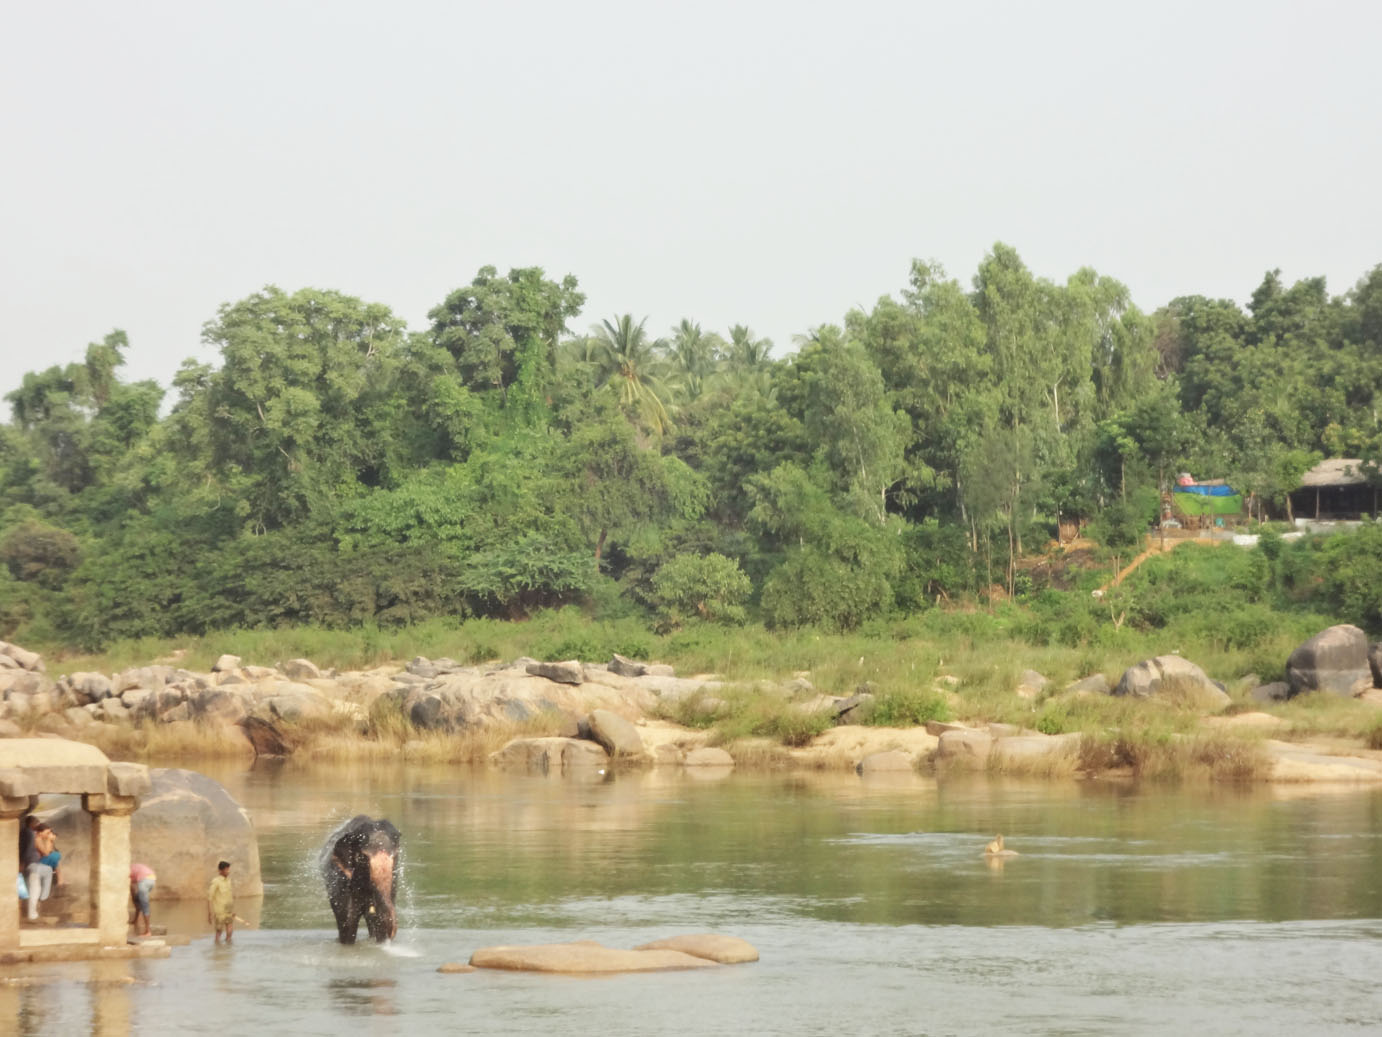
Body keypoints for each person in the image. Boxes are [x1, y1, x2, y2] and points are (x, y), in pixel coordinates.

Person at [20, 816, 52, 921]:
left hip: (31, 864)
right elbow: (45, 852)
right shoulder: (31, 834)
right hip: (32, 865)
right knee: (35, 889)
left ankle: (41, 899)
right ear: (33, 824)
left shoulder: (27, 833)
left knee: (35, 886)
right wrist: (22, 863)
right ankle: (35, 909)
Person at [207, 860, 235, 943]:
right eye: (226, 870)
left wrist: (232, 910)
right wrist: (209, 913)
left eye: (228, 869)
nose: (228, 872)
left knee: (230, 928)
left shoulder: (229, 881)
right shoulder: (216, 881)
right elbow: (209, 897)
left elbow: (230, 896)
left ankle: (228, 946)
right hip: (220, 911)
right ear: (220, 870)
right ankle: (217, 947)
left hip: (228, 909)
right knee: (219, 931)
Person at [129, 862, 156, 936]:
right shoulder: (133, 867)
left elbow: (132, 888)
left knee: (144, 904)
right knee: (139, 900)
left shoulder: (127, 870)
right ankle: (136, 920)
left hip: (144, 880)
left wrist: (133, 898)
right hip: (152, 879)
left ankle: (148, 931)